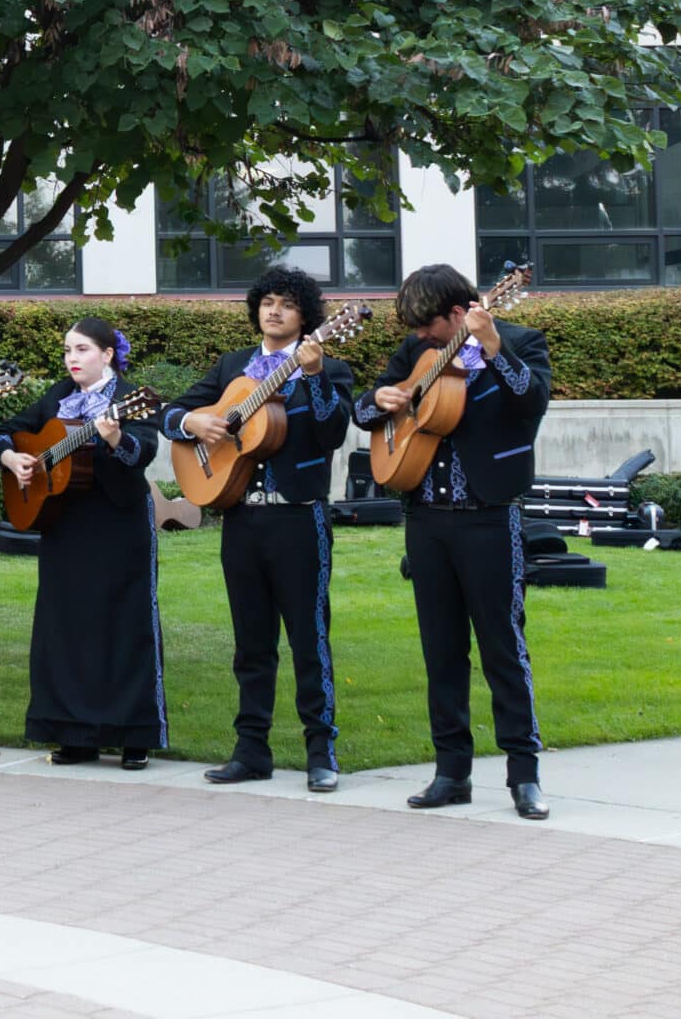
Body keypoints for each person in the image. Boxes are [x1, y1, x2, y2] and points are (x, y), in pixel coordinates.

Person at [354, 263, 553, 820]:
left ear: (460, 313)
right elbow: (365, 411)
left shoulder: (520, 342)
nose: (420, 335)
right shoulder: (415, 351)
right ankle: (451, 772)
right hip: (426, 519)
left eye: (429, 325)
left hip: (489, 516)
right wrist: (382, 400)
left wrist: (493, 347)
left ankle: (524, 775)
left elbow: (533, 400)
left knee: (503, 648)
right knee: (441, 651)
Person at [162, 267, 355, 793]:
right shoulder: (233, 367)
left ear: (306, 316)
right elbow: (172, 413)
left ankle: (321, 752)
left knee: (309, 639)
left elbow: (332, 432)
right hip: (242, 517)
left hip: (298, 517)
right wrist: (192, 423)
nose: (274, 311)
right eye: (267, 301)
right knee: (251, 643)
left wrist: (314, 377)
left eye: (286, 304)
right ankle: (251, 751)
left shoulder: (329, 367)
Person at [0, 317, 166, 770]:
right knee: (65, 625)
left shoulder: (131, 398)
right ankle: (73, 734)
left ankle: (133, 735)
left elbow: (142, 452)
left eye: (82, 349)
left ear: (107, 355)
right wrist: (12, 458)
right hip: (64, 522)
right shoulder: (58, 396)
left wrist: (115, 437)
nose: (72, 358)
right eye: (68, 350)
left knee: (124, 625)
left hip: (118, 522)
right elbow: (6, 432)